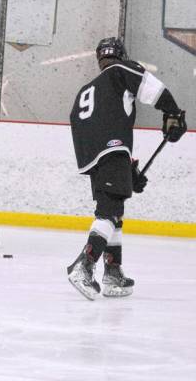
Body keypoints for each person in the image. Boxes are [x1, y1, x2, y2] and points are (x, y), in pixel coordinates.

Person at [67, 37, 187, 300]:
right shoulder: (121, 71)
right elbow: (152, 88)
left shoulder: (85, 92)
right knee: (109, 214)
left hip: (94, 159)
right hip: (112, 152)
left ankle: (112, 272)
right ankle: (84, 265)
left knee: (114, 212)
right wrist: (173, 113)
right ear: (121, 55)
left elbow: (89, 127)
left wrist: (126, 171)